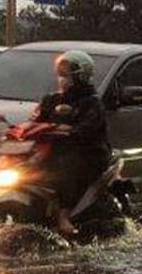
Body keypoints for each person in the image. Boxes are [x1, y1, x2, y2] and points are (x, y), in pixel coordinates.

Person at [30, 50, 111, 235]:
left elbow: (85, 131)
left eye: (66, 74)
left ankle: (64, 215)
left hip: (88, 152)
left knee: (67, 165)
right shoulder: (51, 99)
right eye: (60, 73)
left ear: (81, 75)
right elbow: (35, 122)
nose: (62, 78)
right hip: (53, 150)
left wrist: (68, 131)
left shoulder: (91, 102)